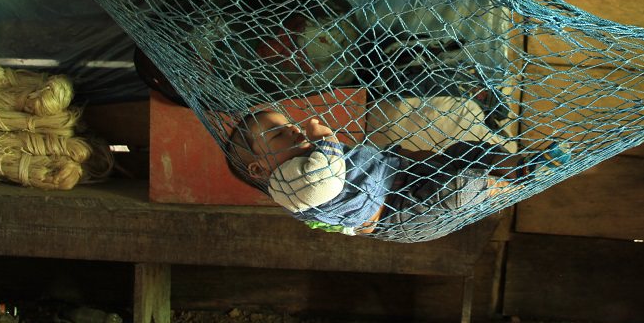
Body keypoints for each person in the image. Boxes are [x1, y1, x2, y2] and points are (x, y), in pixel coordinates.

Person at [225, 107, 568, 236]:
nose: (296, 130)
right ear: (258, 167)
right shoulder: (288, 185)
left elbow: (361, 163)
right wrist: (327, 138)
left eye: (288, 123)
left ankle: (522, 167)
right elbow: (323, 181)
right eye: (278, 133)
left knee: (469, 151)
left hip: (406, 176)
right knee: (463, 186)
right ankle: (505, 186)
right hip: (402, 210)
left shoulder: (304, 160)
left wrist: (398, 155)